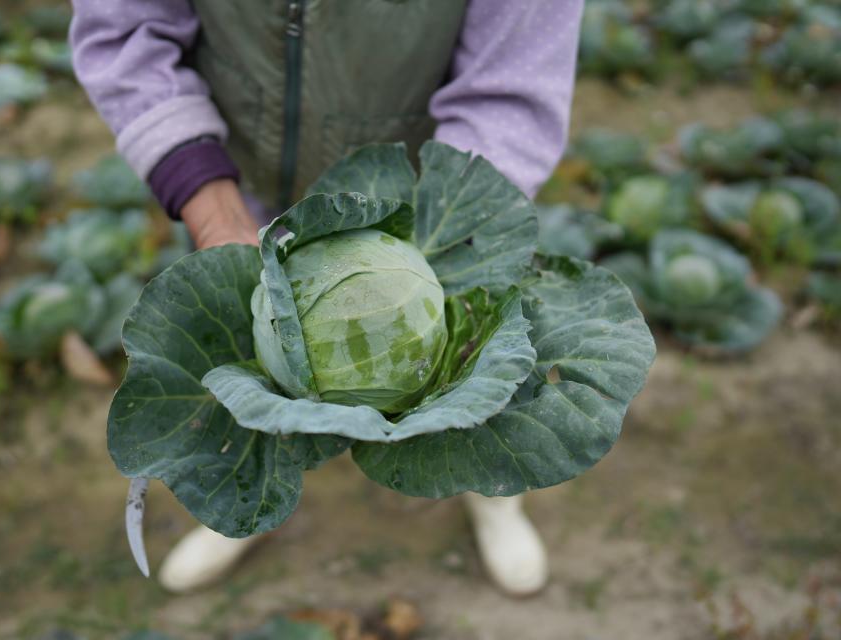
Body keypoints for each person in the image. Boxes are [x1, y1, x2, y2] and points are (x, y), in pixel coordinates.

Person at [71, 0, 584, 596]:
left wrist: (440, 233)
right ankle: (249, 483)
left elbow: (511, 83)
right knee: (252, 354)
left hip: (425, 201)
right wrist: (211, 208)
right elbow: (126, 28)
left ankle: (489, 485)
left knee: (474, 364)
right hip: (239, 177)